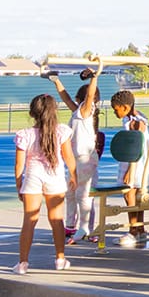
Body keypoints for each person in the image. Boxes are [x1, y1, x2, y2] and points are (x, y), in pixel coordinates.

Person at [12, 94, 77, 274]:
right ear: (54, 111)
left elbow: (19, 164)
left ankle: (23, 263)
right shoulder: (61, 132)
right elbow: (68, 156)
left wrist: (19, 184)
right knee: (56, 219)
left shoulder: (25, 135)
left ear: (33, 113)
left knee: (29, 221)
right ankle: (60, 258)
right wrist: (74, 175)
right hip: (54, 176)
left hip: (33, 176)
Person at [49, 69, 100, 242]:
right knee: (71, 192)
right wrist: (56, 81)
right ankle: (71, 226)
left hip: (85, 159)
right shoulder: (78, 111)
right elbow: (66, 98)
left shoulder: (86, 111)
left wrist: (94, 78)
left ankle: (86, 229)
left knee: (83, 195)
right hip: (76, 160)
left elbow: (90, 94)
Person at [109, 90, 149, 248]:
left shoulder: (134, 122)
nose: (115, 112)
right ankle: (140, 229)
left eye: (116, 109)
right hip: (137, 161)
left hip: (135, 162)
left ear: (125, 107)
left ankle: (134, 230)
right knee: (137, 196)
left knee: (129, 195)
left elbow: (136, 142)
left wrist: (130, 169)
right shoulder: (134, 117)